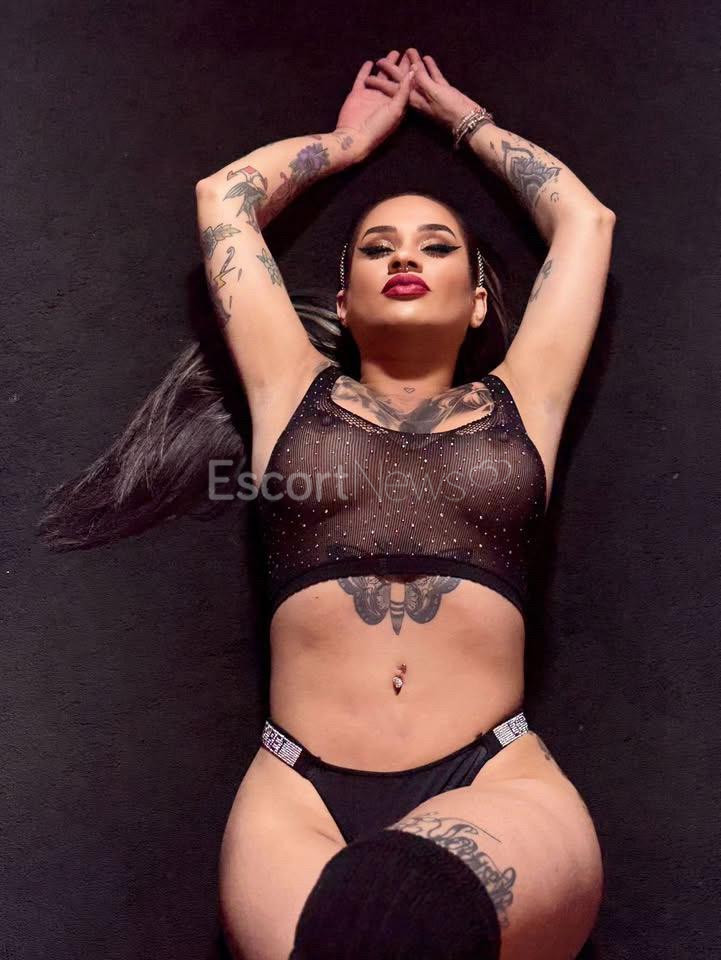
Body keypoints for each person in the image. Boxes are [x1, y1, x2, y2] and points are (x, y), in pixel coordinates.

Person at [38, 48, 616, 960]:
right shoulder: (289, 389)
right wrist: (345, 146)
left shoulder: (525, 398)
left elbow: (584, 221)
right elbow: (224, 198)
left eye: (437, 246)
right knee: (358, 930)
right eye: (377, 248)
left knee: (395, 911)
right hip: (297, 795)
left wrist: (465, 121)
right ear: (342, 302)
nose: (405, 256)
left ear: (477, 303)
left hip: (493, 773)